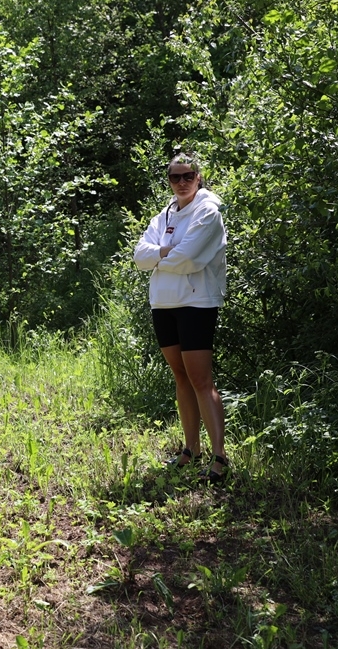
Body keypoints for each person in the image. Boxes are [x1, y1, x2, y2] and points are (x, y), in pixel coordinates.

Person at [132, 152, 229, 483]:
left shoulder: (208, 211)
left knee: (201, 379)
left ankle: (219, 458)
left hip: (196, 302)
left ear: (199, 177)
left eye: (189, 176)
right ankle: (191, 449)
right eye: (176, 177)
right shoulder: (164, 215)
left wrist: (158, 256)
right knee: (181, 377)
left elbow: (190, 259)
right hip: (163, 303)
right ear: (169, 181)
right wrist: (162, 254)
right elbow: (139, 255)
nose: (183, 182)